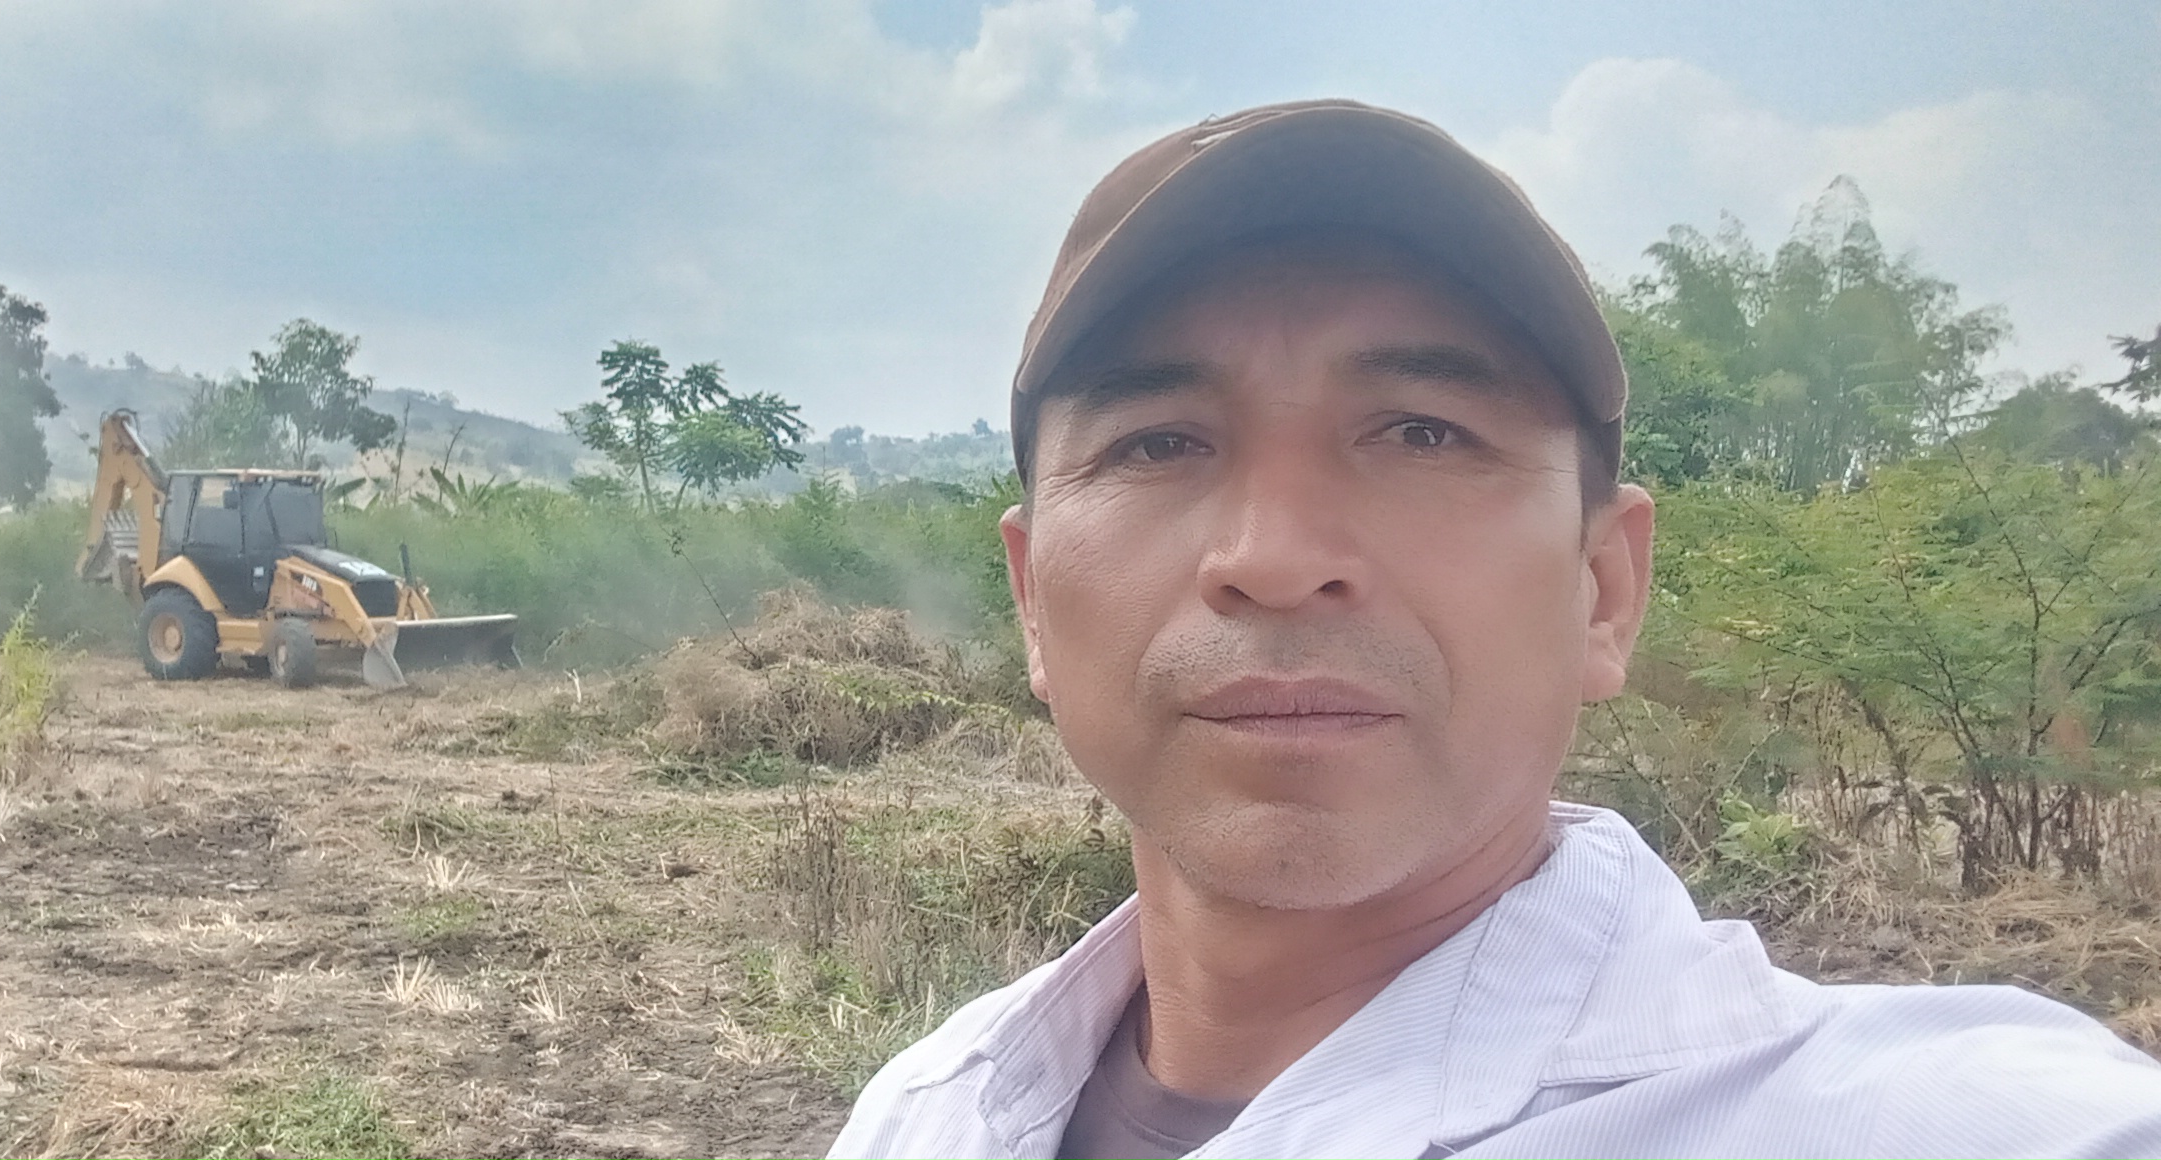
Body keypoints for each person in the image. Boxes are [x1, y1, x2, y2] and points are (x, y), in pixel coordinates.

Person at [823, 100, 2161, 1160]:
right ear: (1032, 601)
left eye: (1423, 433)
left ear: (1604, 589)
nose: (1276, 561)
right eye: (1159, 442)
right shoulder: (925, 1114)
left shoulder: (1961, 1128)